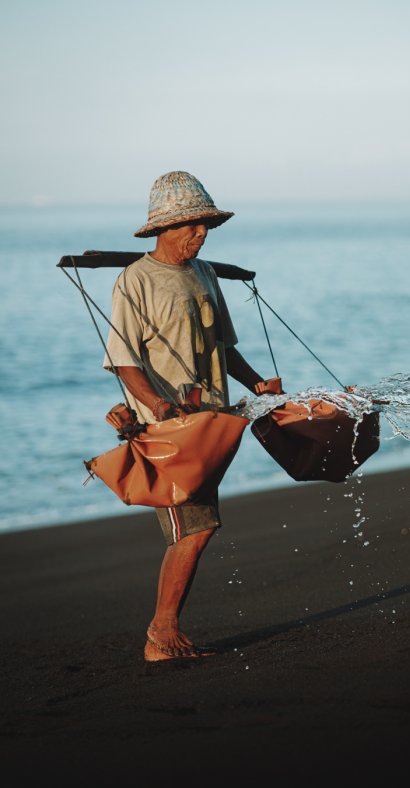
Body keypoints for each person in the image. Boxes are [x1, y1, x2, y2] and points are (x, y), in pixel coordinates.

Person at [104, 171, 279, 662]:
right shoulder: (134, 281)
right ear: (165, 228)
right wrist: (157, 406)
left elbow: (224, 346)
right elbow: (123, 359)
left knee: (198, 525)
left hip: (209, 424)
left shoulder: (203, 273)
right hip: (168, 428)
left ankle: (164, 631)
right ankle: (161, 636)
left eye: (206, 229)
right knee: (195, 526)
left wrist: (258, 384)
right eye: (192, 228)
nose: (200, 237)